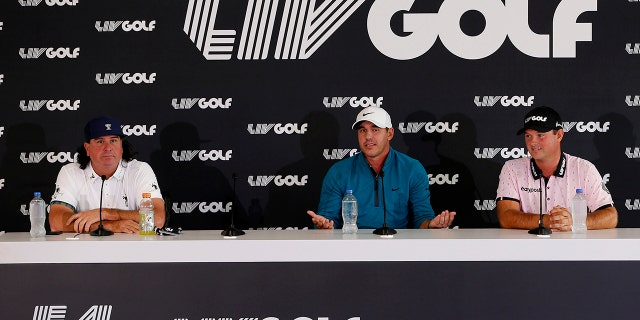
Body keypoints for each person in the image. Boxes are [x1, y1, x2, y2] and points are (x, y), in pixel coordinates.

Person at [307, 106, 456, 229]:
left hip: (400, 251)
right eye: (362, 130)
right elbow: (328, 219)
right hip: (351, 250)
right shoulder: (338, 172)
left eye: (375, 129)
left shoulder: (412, 169)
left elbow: (422, 217)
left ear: (390, 133)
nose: (368, 136)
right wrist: (324, 226)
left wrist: (431, 225)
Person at [496, 106, 617, 231]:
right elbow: (506, 217)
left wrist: (573, 222)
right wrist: (545, 220)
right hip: (527, 248)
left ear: (559, 135)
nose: (532, 142)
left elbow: (610, 216)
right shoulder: (512, 168)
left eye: (540, 135)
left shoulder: (584, 169)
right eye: (528, 136)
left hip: (575, 249)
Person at [49, 116, 165, 233]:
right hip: (85, 249)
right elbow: (56, 222)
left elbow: (158, 219)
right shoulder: (70, 172)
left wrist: (105, 213)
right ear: (87, 148)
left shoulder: (139, 170)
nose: (108, 148)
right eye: (100, 141)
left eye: (113, 140)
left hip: (132, 248)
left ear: (121, 146)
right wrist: (109, 226)